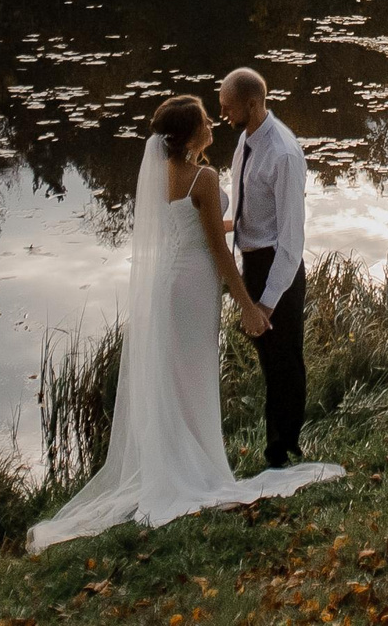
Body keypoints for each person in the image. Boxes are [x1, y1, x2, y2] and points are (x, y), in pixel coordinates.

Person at [26, 96, 341, 551]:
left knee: (173, 376)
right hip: (195, 287)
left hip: (167, 284)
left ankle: (172, 460)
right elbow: (215, 248)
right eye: (206, 120)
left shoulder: (162, 175)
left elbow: (193, 227)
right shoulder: (205, 176)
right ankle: (194, 470)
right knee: (193, 375)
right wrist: (250, 306)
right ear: (193, 134)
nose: (213, 122)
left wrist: (247, 225)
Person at [218, 65, 308, 470]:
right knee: (270, 362)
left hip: (278, 268)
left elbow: (291, 241)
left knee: (284, 362)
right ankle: (280, 445)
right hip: (251, 262)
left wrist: (268, 303)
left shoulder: (284, 154)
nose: (221, 112)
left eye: (227, 105)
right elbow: (244, 210)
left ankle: (282, 451)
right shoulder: (245, 140)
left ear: (252, 105)